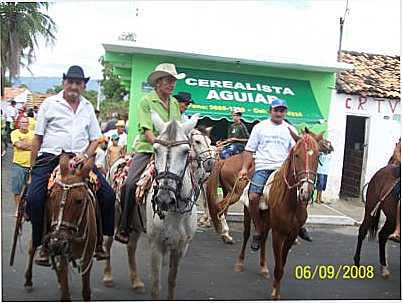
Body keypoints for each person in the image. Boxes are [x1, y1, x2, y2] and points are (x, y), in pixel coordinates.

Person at [25, 65, 115, 266]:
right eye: (70, 82)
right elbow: (37, 138)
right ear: (64, 83)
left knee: (108, 195)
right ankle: (42, 245)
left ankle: (99, 242)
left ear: (83, 86)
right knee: (34, 198)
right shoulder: (49, 103)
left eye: (78, 83)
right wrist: (32, 170)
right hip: (50, 157)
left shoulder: (88, 107)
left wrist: (85, 155)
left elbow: (95, 139)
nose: (74, 86)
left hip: (79, 159)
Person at [114, 63, 185, 244]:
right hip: (148, 149)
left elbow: (176, 129)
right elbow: (147, 130)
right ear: (158, 83)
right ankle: (124, 226)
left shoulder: (175, 103)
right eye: (168, 81)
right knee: (130, 184)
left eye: (173, 81)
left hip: (170, 152)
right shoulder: (146, 101)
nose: (172, 84)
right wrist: (160, 145)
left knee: (188, 177)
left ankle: (183, 220)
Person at [238, 98, 312, 251]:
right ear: (269, 111)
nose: (279, 113)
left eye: (282, 110)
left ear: (285, 112)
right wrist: (244, 168)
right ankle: (258, 230)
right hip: (263, 167)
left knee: (304, 193)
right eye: (276, 110)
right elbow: (249, 149)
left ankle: (299, 225)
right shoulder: (260, 127)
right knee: (253, 196)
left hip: (283, 169)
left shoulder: (290, 129)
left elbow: (296, 152)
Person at [10, 117, 34, 217]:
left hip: (32, 165)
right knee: (17, 189)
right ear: (19, 124)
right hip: (18, 164)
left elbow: (37, 146)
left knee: (31, 190)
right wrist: (30, 145)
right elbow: (19, 145)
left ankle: (27, 209)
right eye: (22, 122)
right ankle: (17, 209)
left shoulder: (33, 133)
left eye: (26, 122)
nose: (24, 124)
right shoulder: (14, 133)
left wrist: (24, 144)